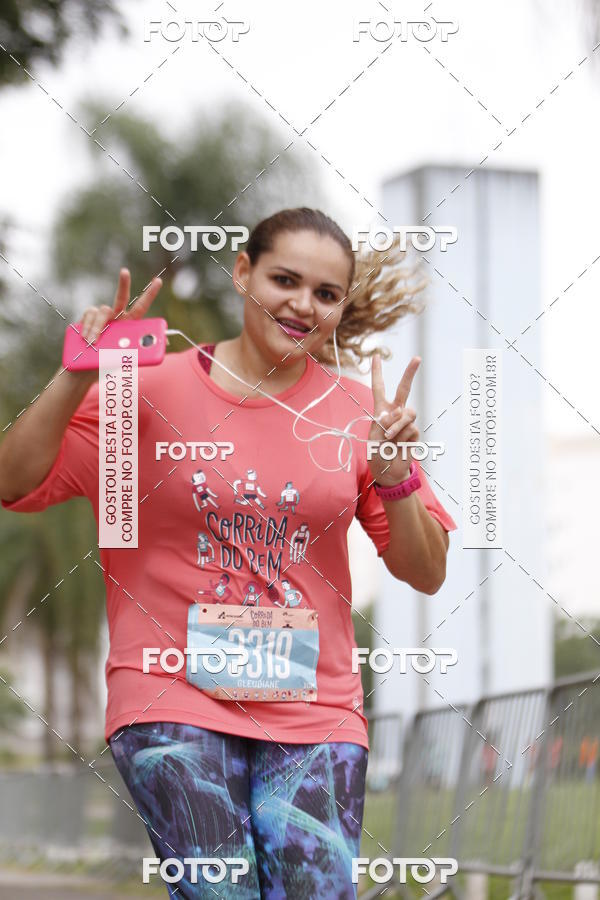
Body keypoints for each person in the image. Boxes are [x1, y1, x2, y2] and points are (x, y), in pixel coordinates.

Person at [0, 207, 458, 899]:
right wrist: (80, 371)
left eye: (326, 294)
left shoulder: (358, 414)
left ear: (341, 307)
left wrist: (398, 480)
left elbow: (425, 572)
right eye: (285, 279)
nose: (303, 304)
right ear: (243, 273)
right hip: (172, 693)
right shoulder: (147, 392)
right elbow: (14, 481)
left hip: (314, 709)